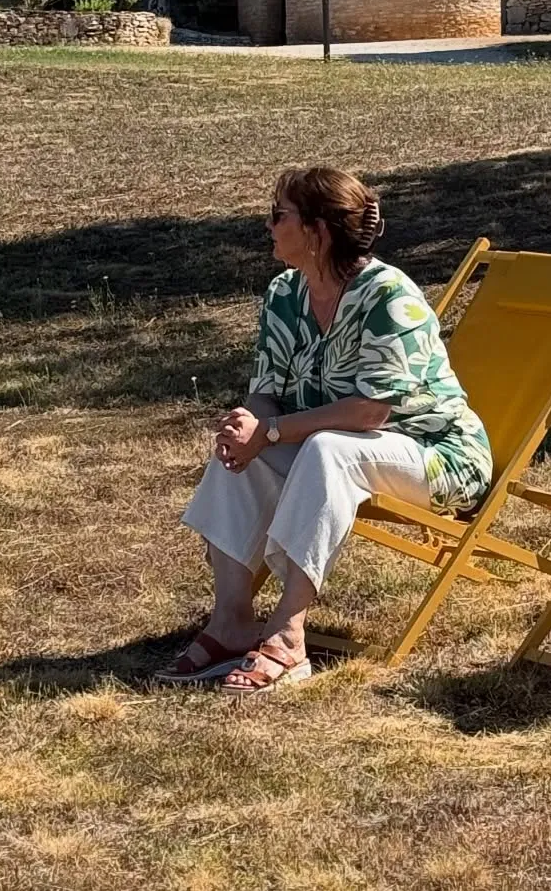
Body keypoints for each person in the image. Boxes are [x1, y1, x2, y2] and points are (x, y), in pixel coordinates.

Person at [155, 166, 492, 696]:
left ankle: (288, 636)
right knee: (242, 453)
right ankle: (231, 621)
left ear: (317, 230)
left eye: (279, 215)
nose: (268, 225)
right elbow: (267, 385)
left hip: (435, 456)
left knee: (328, 448)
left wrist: (269, 431)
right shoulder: (285, 292)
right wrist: (250, 426)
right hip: (329, 448)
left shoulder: (388, 296)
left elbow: (369, 414)